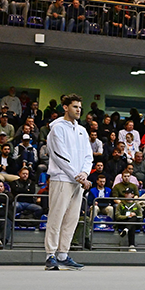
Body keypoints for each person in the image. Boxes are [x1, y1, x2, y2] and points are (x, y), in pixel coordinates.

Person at [44, 94, 93, 271]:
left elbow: (89, 155)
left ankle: (63, 254)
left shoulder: (82, 130)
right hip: (61, 179)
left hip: (78, 181)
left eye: (80, 107)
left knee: (72, 219)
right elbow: (59, 156)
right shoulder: (57, 128)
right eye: (74, 106)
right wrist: (77, 175)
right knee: (56, 217)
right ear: (65, 108)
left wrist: (84, 173)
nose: (78, 109)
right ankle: (50, 255)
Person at [115, 187, 143, 252]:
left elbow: (141, 216)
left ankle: (126, 230)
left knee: (134, 219)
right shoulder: (120, 204)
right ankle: (131, 245)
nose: (126, 195)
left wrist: (134, 215)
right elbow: (117, 216)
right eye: (126, 193)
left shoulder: (137, 205)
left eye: (128, 193)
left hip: (134, 222)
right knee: (132, 225)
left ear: (132, 195)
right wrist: (126, 217)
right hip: (123, 222)